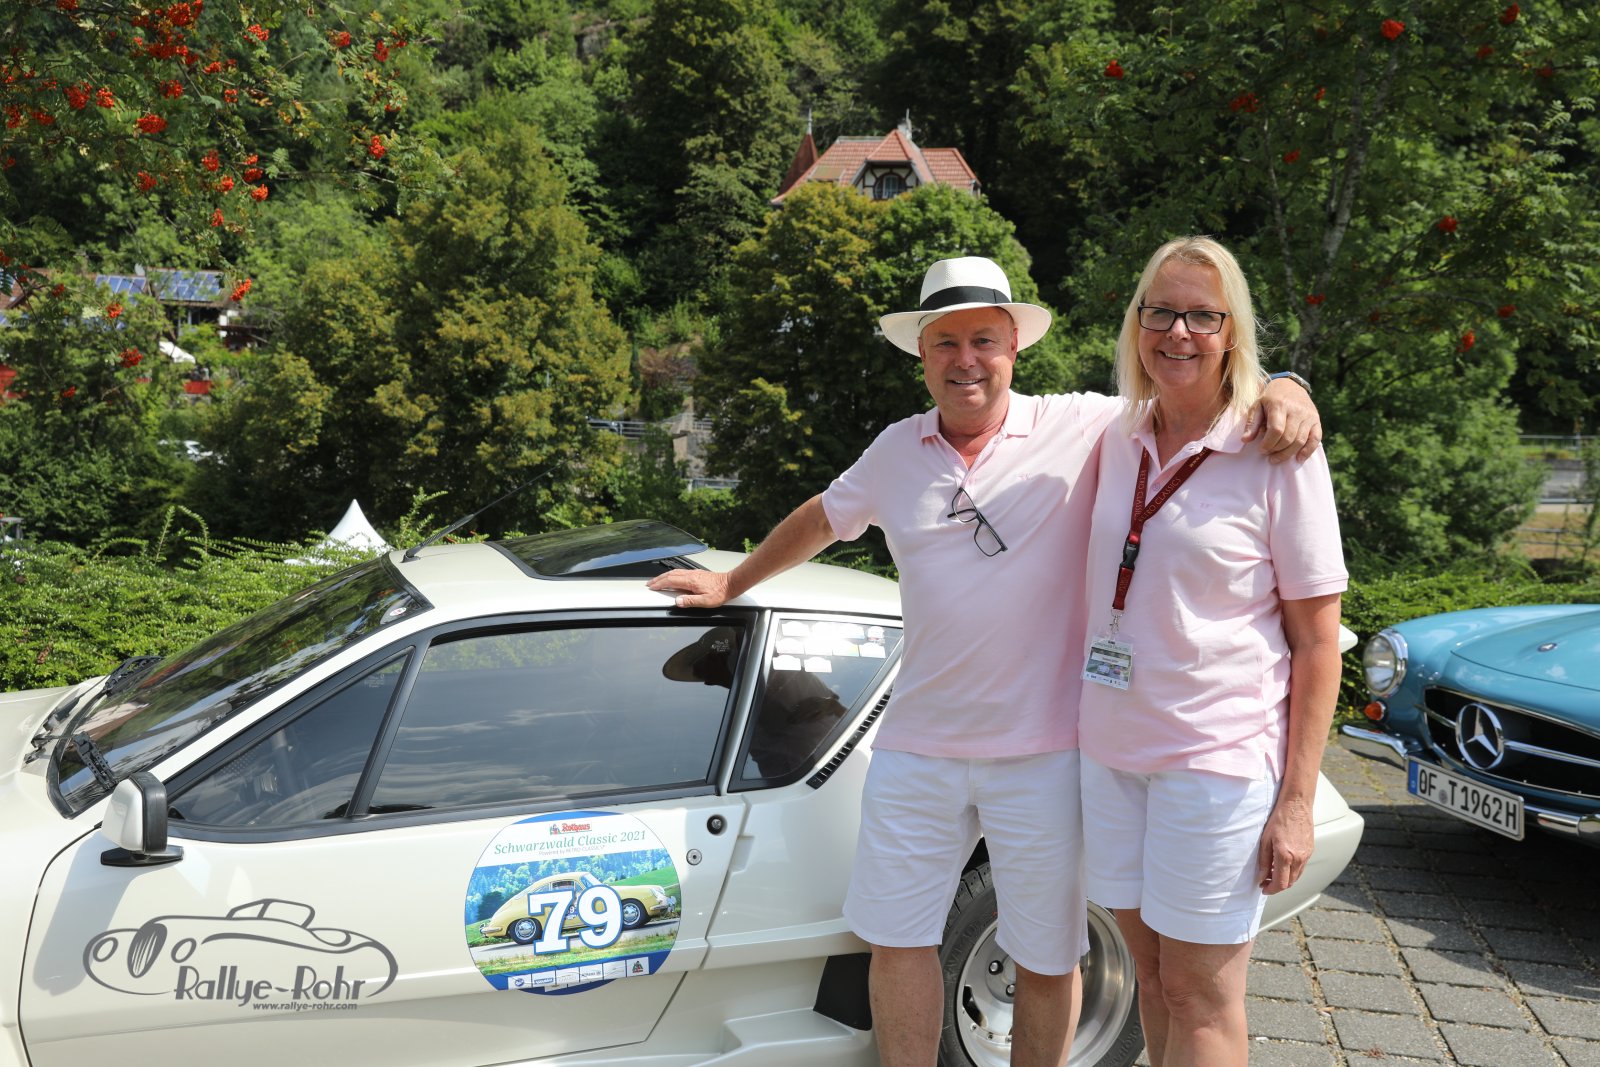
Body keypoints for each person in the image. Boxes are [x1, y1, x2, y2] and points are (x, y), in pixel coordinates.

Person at [647, 255, 1321, 1067]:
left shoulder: (1088, 426)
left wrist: (1287, 384)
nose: (966, 360)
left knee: (1049, 955)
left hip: (1048, 753)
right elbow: (823, 517)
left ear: (1013, 347)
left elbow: (1198, 385)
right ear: (921, 353)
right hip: (917, 747)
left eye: (984, 340)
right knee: (898, 941)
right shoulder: (896, 450)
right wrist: (734, 581)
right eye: (946, 342)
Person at [1075, 237, 1347, 1067]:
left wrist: (1296, 802)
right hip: (1113, 755)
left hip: (1216, 762)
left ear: (1232, 331)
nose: (1178, 332)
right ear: (1137, 322)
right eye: (1161, 311)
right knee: (1153, 979)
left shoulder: (1278, 450)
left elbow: (1318, 642)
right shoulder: (1114, 433)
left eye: (1202, 315)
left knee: (1201, 994)